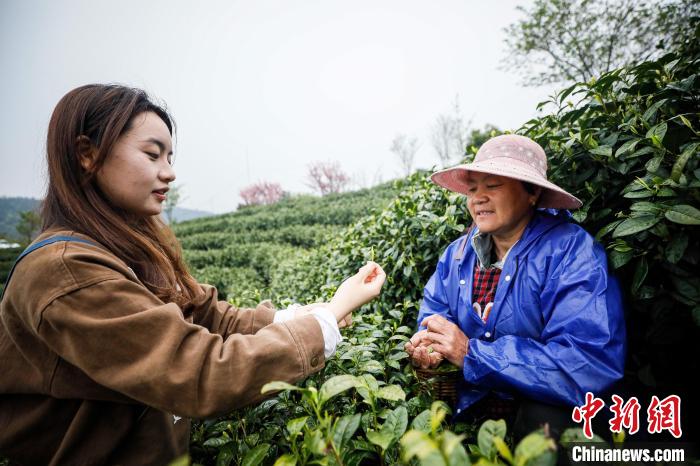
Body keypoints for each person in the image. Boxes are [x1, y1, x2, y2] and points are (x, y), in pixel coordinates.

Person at [0, 84, 386, 465]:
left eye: (170, 157)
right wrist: (323, 323)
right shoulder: (66, 271)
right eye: (153, 155)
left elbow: (203, 313)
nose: (168, 173)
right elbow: (198, 370)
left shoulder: (120, 246)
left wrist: (298, 316)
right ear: (88, 153)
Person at [405, 134, 625, 442]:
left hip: (542, 422)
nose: (477, 198)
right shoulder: (457, 256)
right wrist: (431, 346)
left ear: (532, 192)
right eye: (472, 189)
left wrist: (473, 354)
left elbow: (587, 363)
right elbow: (435, 314)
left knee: (545, 422)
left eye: (492, 186)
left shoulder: (571, 252)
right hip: (476, 410)